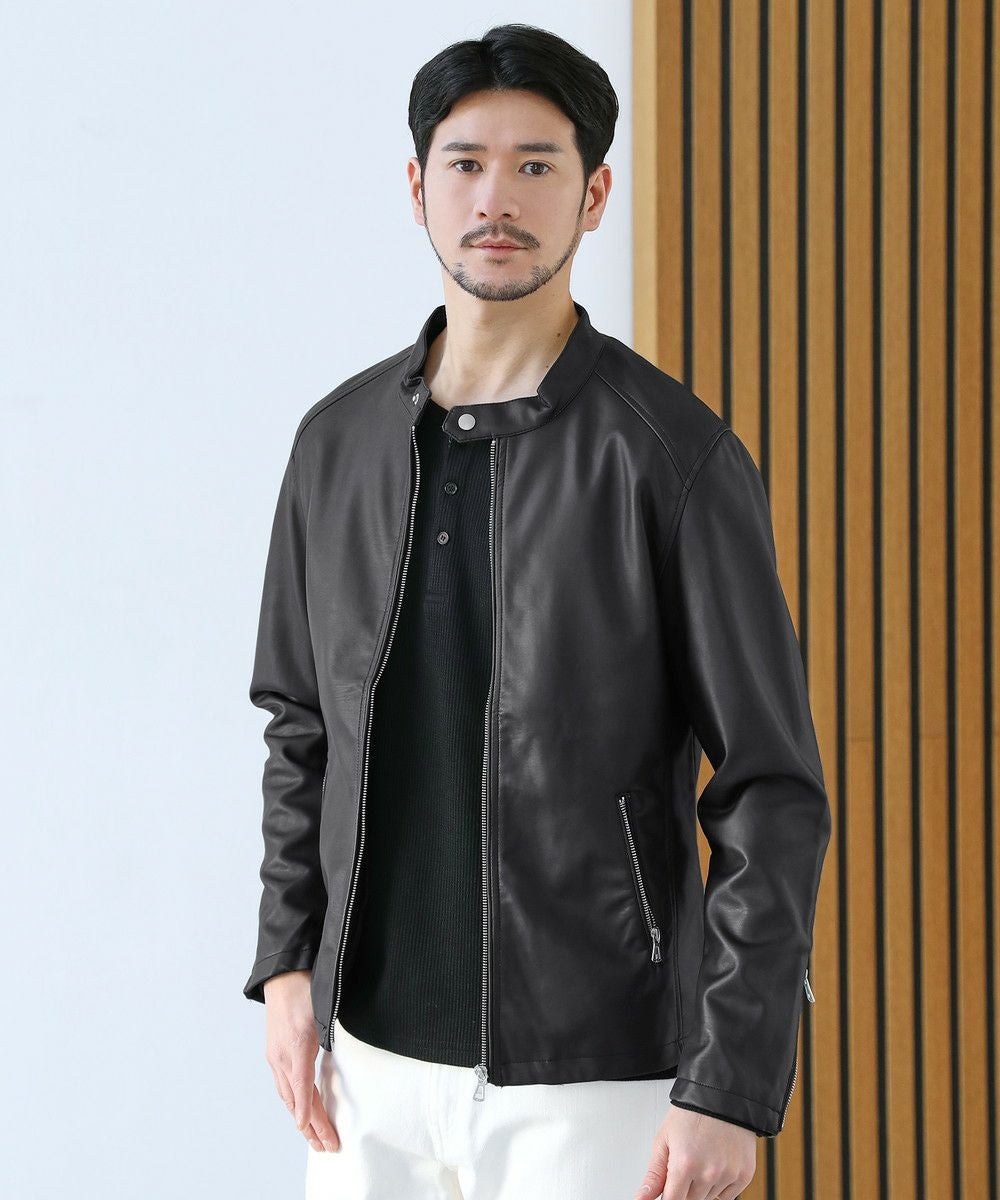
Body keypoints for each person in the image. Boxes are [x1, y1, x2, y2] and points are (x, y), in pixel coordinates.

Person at [242, 22, 831, 1200]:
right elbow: (299, 726)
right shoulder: (338, 443)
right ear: (417, 188)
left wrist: (729, 1081)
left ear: (593, 194)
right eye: (464, 163)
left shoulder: (669, 455)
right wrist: (288, 965)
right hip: (364, 1064)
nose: (494, 199)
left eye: (535, 165)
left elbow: (769, 787)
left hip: (590, 1070)